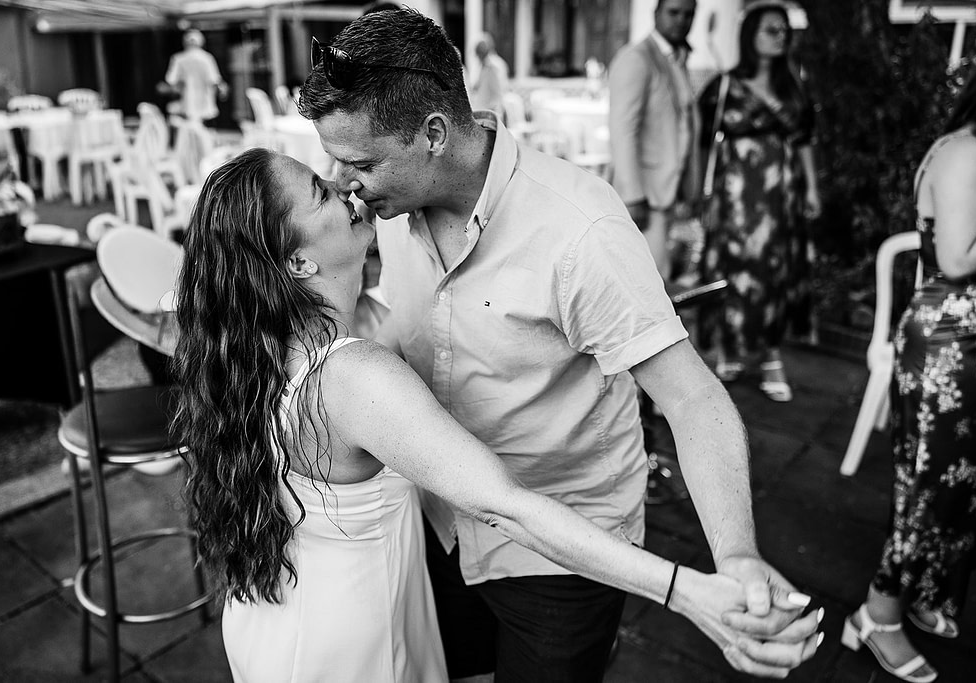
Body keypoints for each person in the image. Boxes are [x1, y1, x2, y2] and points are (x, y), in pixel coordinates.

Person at [298, 8, 820, 682]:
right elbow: (401, 317)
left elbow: (692, 397)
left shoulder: (580, 229)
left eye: (360, 163)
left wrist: (736, 555)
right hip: (440, 522)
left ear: (433, 134)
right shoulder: (390, 206)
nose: (343, 182)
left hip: (564, 556)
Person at [174, 148, 821, 682]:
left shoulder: (251, 348)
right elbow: (505, 504)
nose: (345, 185)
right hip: (350, 643)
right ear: (297, 262)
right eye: (321, 190)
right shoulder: (355, 375)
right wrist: (688, 591)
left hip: (278, 617)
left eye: (352, 164)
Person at [840, 42, 976, 683]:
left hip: (972, 341)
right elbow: (956, 258)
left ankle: (922, 589)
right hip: (951, 346)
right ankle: (876, 615)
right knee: (931, 489)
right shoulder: (967, 153)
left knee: (964, 485)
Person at [695, 1, 821, 403]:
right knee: (730, 272)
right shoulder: (724, 87)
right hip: (734, 198)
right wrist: (703, 196)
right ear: (751, 35)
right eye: (771, 29)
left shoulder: (794, 85)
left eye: (784, 30)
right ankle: (729, 348)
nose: (780, 36)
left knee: (774, 273)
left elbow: (804, 139)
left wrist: (812, 188)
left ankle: (771, 356)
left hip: (780, 197)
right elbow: (704, 145)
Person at [608, 0, 701, 283]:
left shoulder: (676, 58)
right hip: (644, 195)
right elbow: (623, 129)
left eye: (688, 15)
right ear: (656, 13)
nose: (681, 21)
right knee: (647, 281)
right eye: (674, 12)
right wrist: (632, 195)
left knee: (659, 276)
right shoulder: (637, 58)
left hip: (667, 191)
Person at [163, 29, 227, 124]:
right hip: (204, 103)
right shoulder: (207, 58)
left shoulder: (178, 58)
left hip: (186, 102)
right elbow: (215, 80)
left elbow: (170, 80)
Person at [469, 32, 509, 119]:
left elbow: (500, 90)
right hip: (481, 109)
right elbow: (475, 87)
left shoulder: (495, 66)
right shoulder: (478, 65)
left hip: (492, 111)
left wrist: (494, 108)